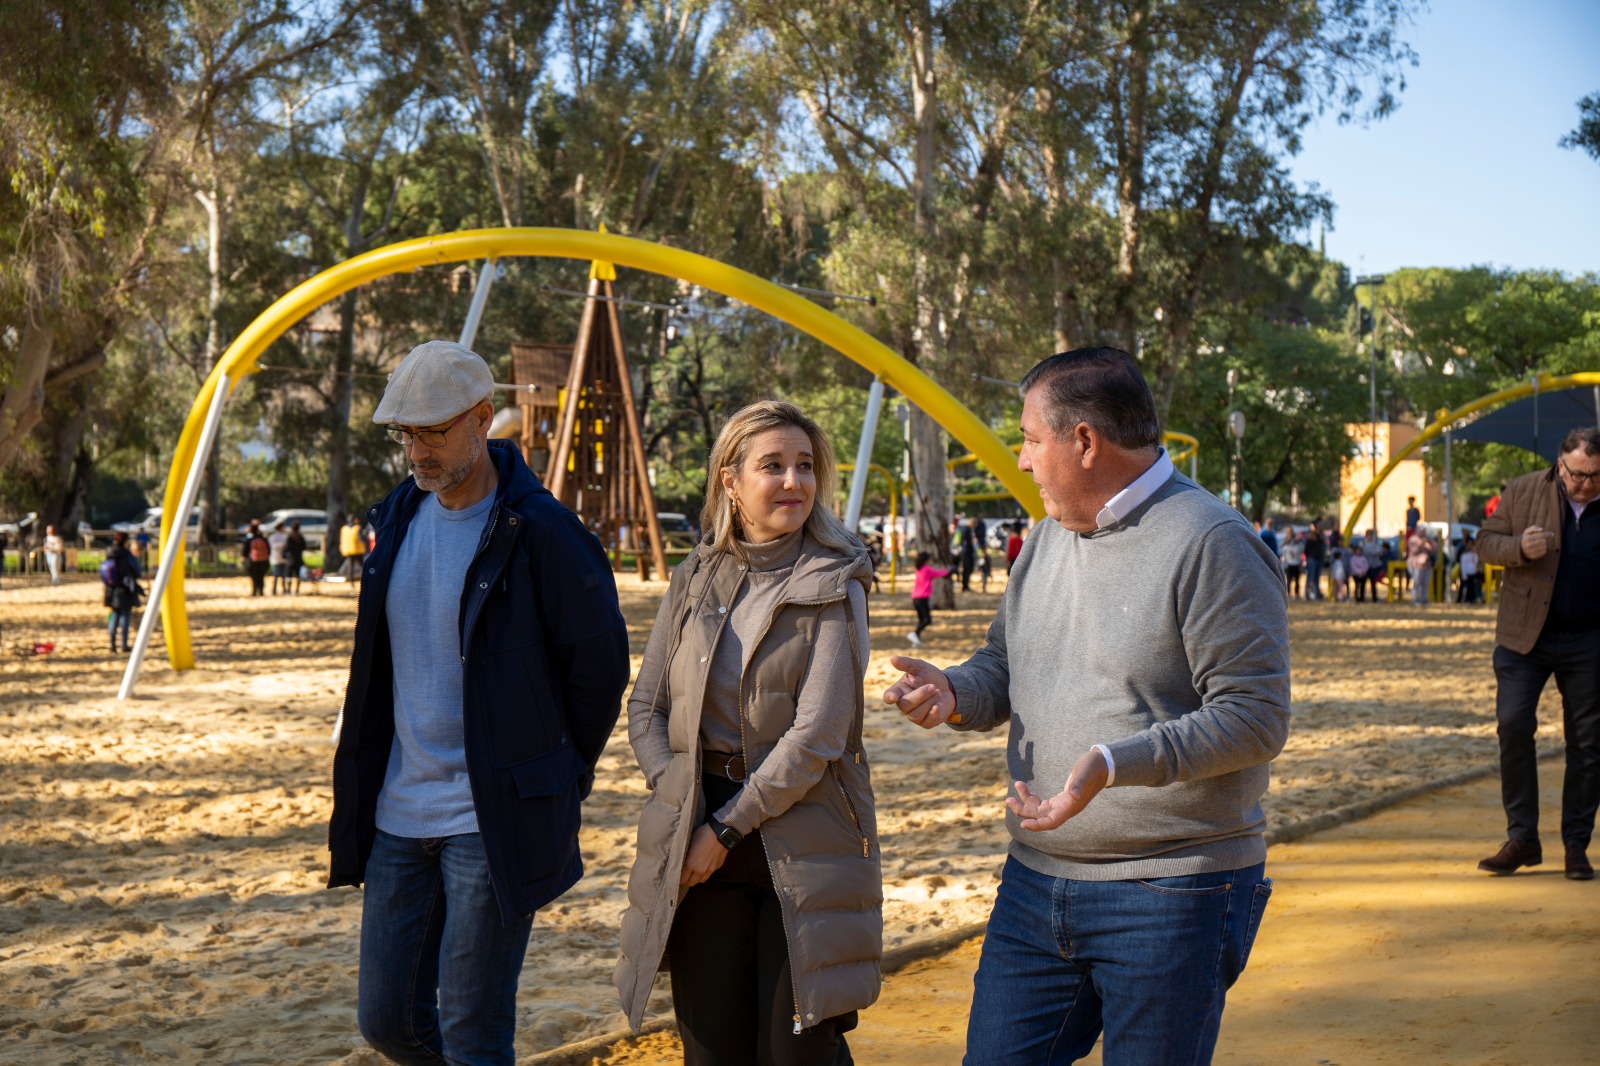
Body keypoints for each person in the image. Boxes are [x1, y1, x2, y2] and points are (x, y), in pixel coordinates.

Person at [884, 347, 1289, 1064]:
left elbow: (1254, 717)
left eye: (1031, 438)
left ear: (1084, 442)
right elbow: (1005, 665)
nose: (1023, 458)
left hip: (1174, 893)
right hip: (1035, 885)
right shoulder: (1043, 537)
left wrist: (1111, 762)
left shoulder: (1213, 541)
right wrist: (954, 693)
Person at [327, 339, 630, 1064]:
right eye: (406, 433)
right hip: (399, 810)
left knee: (472, 1025)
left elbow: (600, 668)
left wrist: (555, 772)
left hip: (489, 816)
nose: (417, 451)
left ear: (484, 418)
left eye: (434, 430)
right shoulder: (396, 519)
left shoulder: (543, 530)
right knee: (387, 1021)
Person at [615, 400, 879, 1064]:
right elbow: (646, 707)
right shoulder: (696, 578)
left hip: (803, 833)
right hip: (698, 822)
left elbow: (818, 734)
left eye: (804, 466)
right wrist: (679, 798)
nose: (794, 481)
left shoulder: (835, 580)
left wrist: (726, 829)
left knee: (795, 1052)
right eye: (773, 466)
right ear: (730, 481)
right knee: (711, 1047)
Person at [1474, 427, 1600, 881]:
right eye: (1578, 474)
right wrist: (1518, 549)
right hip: (1524, 636)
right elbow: (1485, 542)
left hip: (1590, 639)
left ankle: (1575, 844)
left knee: (1588, 742)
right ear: (1560, 463)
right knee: (1512, 724)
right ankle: (1523, 837)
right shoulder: (1524, 489)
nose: (1585, 484)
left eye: (1595, 477)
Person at [103, 531, 143, 653]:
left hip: (111, 588)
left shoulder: (109, 553)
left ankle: (112, 644)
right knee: (125, 615)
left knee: (114, 615)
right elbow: (137, 572)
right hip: (125, 589)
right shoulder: (127, 555)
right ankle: (124, 644)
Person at [907, 551, 950, 648]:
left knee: (921, 619)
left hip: (915, 598)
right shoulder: (926, 570)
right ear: (926, 560)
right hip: (922, 598)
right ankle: (914, 633)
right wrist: (949, 571)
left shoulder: (919, 569)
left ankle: (916, 641)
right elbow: (939, 573)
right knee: (927, 620)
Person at [1406, 524, 1436, 606]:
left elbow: (1434, 549)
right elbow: (1414, 551)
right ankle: (1416, 599)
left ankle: (1424, 599)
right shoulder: (1413, 539)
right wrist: (1421, 543)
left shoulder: (1428, 539)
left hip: (1427, 564)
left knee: (1425, 583)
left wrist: (1429, 542)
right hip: (1416, 564)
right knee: (1417, 583)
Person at [244, 520, 270, 597]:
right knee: (261, 576)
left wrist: (244, 557)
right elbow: (268, 548)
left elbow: (245, 549)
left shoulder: (250, 538)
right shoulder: (263, 537)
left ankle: (255, 591)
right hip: (263, 560)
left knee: (254, 576)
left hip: (253, 560)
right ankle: (261, 591)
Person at [1303, 519, 1326, 600]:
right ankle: (1307, 593)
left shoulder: (1321, 536)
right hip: (1312, 559)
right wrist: (1308, 556)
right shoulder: (1311, 536)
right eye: (1320, 525)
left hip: (1319, 559)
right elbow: (1306, 548)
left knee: (1316, 578)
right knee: (1310, 577)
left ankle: (1316, 593)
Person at [284, 521, 307, 595]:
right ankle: (297, 590)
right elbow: (304, 547)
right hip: (299, 559)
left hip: (290, 559)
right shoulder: (300, 537)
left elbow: (286, 548)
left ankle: (288, 590)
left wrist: (284, 555)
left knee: (288, 576)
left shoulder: (290, 537)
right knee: (298, 576)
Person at [1458, 534, 1482, 604]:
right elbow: (1463, 565)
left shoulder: (1474, 555)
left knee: (1473, 586)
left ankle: (1473, 598)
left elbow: (1476, 562)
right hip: (1467, 573)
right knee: (1467, 587)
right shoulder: (1464, 555)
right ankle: (1466, 599)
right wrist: (1464, 575)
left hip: (1473, 572)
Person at [268, 522, 290, 595]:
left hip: (283, 558)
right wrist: (282, 545)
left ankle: (284, 589)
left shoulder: (285, 536)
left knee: (283, 575)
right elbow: (273, 546)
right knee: (276, 575)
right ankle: (274, 589)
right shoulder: (273, 536)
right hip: (276, 557)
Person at [1279, 528, 1302, 598]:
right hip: (1289, 563)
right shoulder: (1285, 542)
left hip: (1296, 563)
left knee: (1297, 580)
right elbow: (1280, 547)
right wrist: (1286, 541)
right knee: (1288, 580)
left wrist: (1297, 540)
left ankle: (1296, 593)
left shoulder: (1298, 542)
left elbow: (1302, 548)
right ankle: (1288, 593)